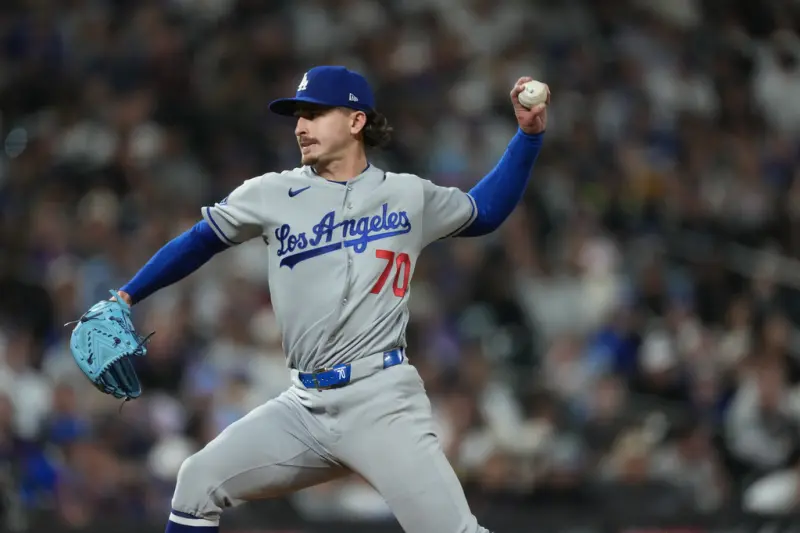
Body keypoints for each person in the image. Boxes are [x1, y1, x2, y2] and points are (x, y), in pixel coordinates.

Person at [113, 66, 547, 533]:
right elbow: (199, 241)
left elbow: (484, 212)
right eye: (298, 116)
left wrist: (527, 138)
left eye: (315, 114)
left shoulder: (406, 194)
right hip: (305, 406)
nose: (301, 127)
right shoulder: (271, 193)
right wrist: (127, 294)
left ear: (356, 121)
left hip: (381, 401)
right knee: (197, 482)